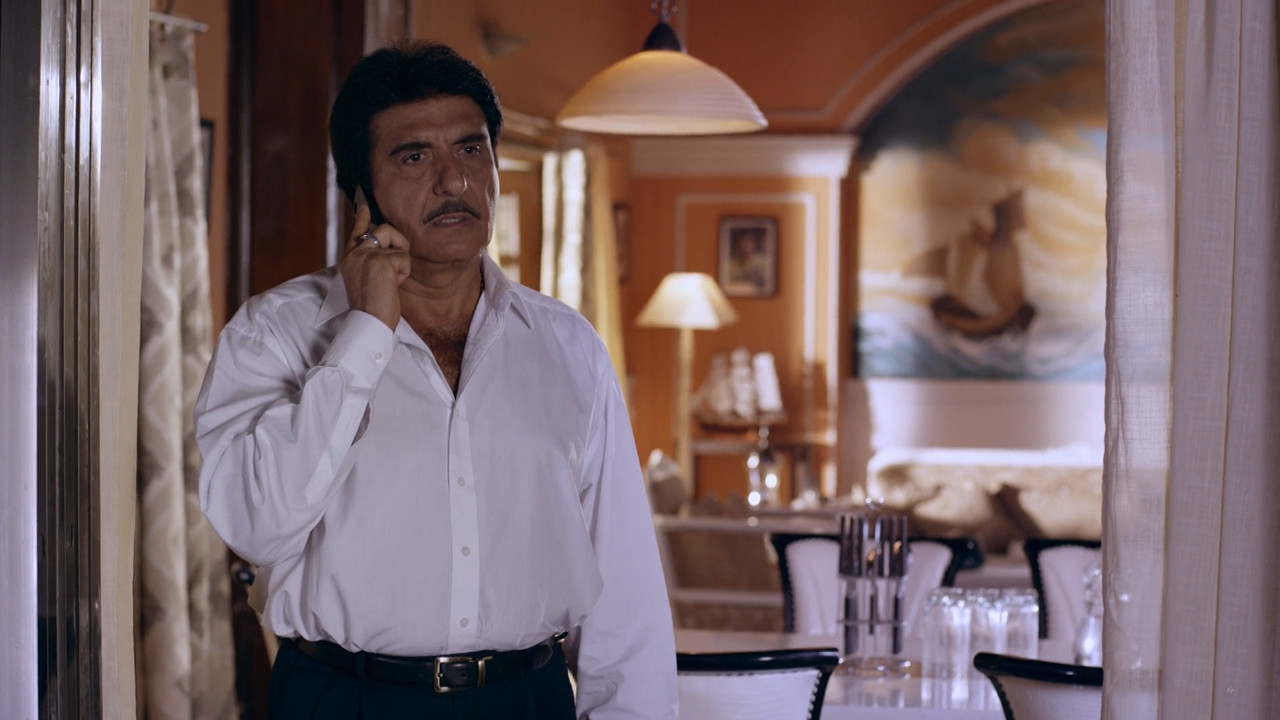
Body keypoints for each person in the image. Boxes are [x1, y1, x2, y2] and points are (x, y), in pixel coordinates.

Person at [195, 41, 677, 719]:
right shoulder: (272, 334)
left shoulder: (569, 347)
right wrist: (364, 334)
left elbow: (625, 592)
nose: (454, 182)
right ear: (359, 194)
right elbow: (257, 526)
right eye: (414, 157)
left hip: (528, 699)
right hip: (345, 699)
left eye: (472, 149)